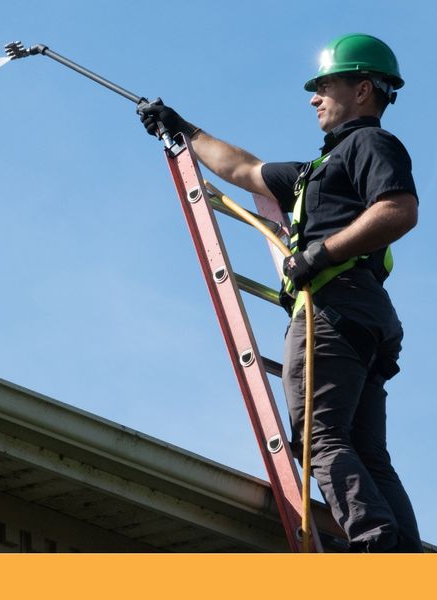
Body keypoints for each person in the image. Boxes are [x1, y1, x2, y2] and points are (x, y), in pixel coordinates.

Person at [139, 33, 423, 552]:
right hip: (361, 316)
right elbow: (244, 169)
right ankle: (404, 557)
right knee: (364, 448)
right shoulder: (318, 172)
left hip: (334, 309)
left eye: (324, 86)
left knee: (318, 439)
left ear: (362, 90)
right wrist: (183, 130)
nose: (314, 97)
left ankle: (376, 549)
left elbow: (398, 210)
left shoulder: (369, 144)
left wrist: (318, 255)